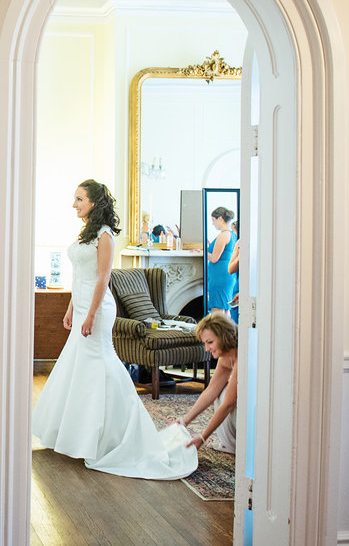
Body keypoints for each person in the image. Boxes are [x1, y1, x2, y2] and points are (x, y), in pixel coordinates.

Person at [31, 179, 196, 480]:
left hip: (99, 309)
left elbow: (102, 278)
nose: (74, 204)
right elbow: (80, 274)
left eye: (79, 199)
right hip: (81, 305)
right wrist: (71, 308)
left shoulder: (105, 235)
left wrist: (91, 314)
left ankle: (112, 434)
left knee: (101, 364)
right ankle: (74, 436)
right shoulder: (86, 234)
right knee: (76, 365)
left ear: (93, 202)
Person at [177, 312, 238, 453]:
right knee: (218, 392)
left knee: (225, 397)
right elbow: (210, 391)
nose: (206, 349)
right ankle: (231, 444)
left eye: (210, 342)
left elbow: (229, 403)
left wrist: (203, 437)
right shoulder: (226, 357)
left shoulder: (242, 356)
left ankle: (236, 446)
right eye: (205, 343)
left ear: (224, 338)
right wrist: (184, 420)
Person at [205, 206, 238, 315]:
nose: (213, 223)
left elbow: (214, 258)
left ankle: (217, 331)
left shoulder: (223, 235)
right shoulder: (232, 234)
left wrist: (202, 250)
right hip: (226, 274)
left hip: (219, 276)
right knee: (224, 308)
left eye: (213, 220)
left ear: (220, 219)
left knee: (217, 309)